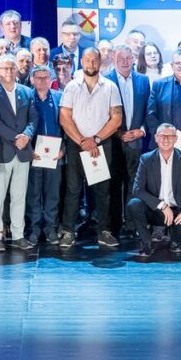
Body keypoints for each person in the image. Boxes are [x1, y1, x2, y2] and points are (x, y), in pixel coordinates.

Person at [58, 47, 123, 249]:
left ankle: (104, 231)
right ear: (82, 62)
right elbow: (64, 118)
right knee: (73, 189)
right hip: (76, 145)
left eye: (95, 60)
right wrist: (82, 141)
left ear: (100, 61)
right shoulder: (71, 87)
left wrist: (95, 139)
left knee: (103, 190)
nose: (91, 64)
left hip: (101, 144)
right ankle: (68, 231)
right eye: (87, 60)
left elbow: (117, 119)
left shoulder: (110, 87)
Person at [0, 54, 39, 252]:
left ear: (16, 70)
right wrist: (17, 138)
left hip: (23, 152)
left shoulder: (27, 92)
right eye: (4, 68)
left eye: (12, 68)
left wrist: (27, 136)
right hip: (3, 151)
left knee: (19, 196)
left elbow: (33, 119)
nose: (8, 72)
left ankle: (18, 235)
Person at [127, 123, 181, 257]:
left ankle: (175, 238)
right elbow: (137, 190)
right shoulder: (146, 159)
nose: (166, 140)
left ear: (176, 139)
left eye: (170, 136)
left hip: (179, 213)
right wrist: (162, 205)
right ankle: (147, 243)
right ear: (156, 138)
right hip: (156, 210)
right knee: (134, 204)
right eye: (162, 136)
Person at [105, 44, 151, 237]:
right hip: (112, 142)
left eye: (128, 57)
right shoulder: (105, 80)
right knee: (113, 184)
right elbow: (101, 113)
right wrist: (117, 133)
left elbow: (150, 109)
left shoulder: (143, 80)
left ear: (133, 59)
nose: (125, 61)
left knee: (134, 184)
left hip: (136, 141)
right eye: (121, 58)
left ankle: (132, 225)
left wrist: (141, 130)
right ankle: (115, 225)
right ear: (113, 59)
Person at [27, 65, 63, 246]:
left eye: (45, 77)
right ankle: (33, 229)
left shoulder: (59, 97)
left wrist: (63, 149)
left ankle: (51, 229)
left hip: (55, 154)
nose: (42, 81)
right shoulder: (26, 97)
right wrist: (27, 150)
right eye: (38, 78)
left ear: (51, 80)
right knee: (33, 194)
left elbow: (66, 126)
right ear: (32, 80)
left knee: (53, 194)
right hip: (33, 154)